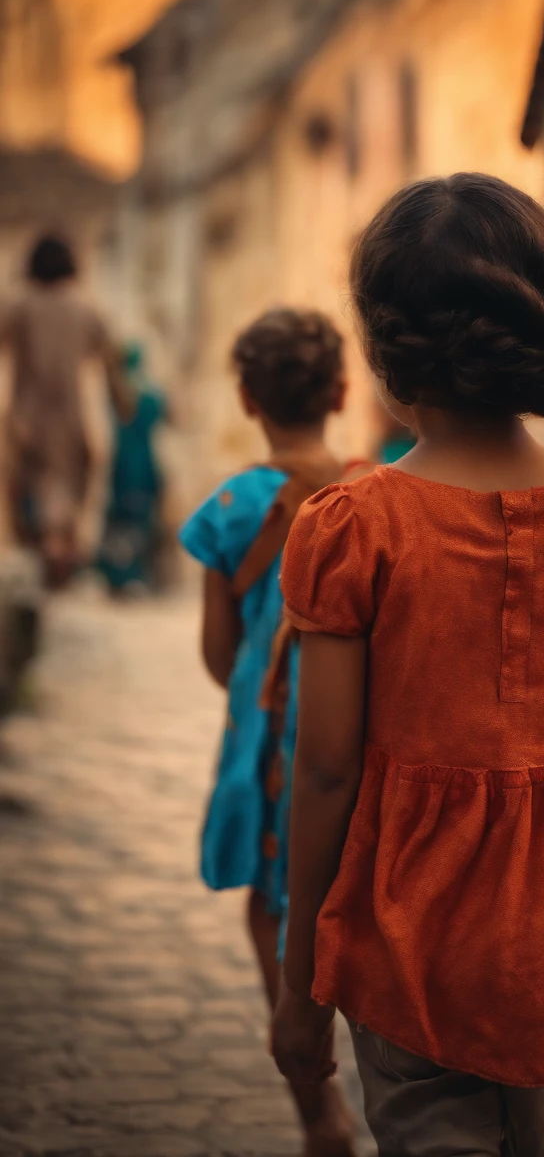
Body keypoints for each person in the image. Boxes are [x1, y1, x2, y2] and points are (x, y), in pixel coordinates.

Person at [272, 174, 544, 1157]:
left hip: (410, 938)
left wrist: (298, 983)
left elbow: (323, 770)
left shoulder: (353, 528)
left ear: (384, 345)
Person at [179, 308, 357, 1157]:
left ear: (247, 397)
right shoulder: (373, 492)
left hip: (265, 744)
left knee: (271, 906)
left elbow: (220, 659)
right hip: (353, 741)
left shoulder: (230, 507)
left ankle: (317, 1106)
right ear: (343, 391)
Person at [0, 234, 131, 588]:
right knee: (65, 490)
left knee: (33, 490)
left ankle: (44, 557)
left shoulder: (20, 306)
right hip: (74, 419)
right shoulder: (86, 309)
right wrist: (123, 403)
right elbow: (112, 363)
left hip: (26, 418)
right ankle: (57, 554)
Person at [97, 342, 168, 594]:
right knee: (139, 520)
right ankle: (133, 574)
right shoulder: (151, 394)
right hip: (144, 463)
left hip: (120, 464)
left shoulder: (115, 393)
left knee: (119, 519)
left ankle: (117, 576)